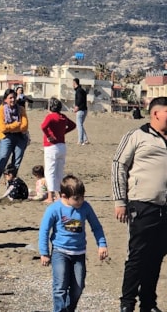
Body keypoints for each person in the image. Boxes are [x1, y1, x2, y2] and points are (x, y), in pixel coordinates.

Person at [112, 96, 167, 312]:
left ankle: (148, 303)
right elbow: (118, 166)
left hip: (165, 208)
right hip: (142, 205)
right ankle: (127, 304)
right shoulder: (136, 136)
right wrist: (120, 201)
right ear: (156, 114)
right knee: (137, 256)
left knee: (157, 255)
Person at [39, 175, 108, 312]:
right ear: (64, 196)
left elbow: (96, 227)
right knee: (60, 287)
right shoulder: (54, 209)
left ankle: (69, 309)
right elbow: (44, 230)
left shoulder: (85, 207)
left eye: (82, 197)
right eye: (77, 198)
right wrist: (44, 253)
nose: (80, 201)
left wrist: (102, 244)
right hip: (60, 252)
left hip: (79, 253)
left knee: (78, 287)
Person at [41, 98, 77, 203]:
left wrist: (49, 135)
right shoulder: (63, 117)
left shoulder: (50, 116)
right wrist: (63, 132)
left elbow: (43, 126)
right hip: (62, 146)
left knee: (50, 171)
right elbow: (73, 125)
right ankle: (60, 194)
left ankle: (50, 196)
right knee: (59, 171)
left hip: (51, 146)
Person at [72, 79, 89, 145]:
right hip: (84, 110)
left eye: (73, 83)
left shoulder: (79, 91)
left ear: (74, 83)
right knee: (80, 125)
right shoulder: (82, 90)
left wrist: (77, 107)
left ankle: (80, 140)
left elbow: (80, 99)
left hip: (81, 110)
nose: (72, 85)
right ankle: (85, 139)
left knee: (79, 125)